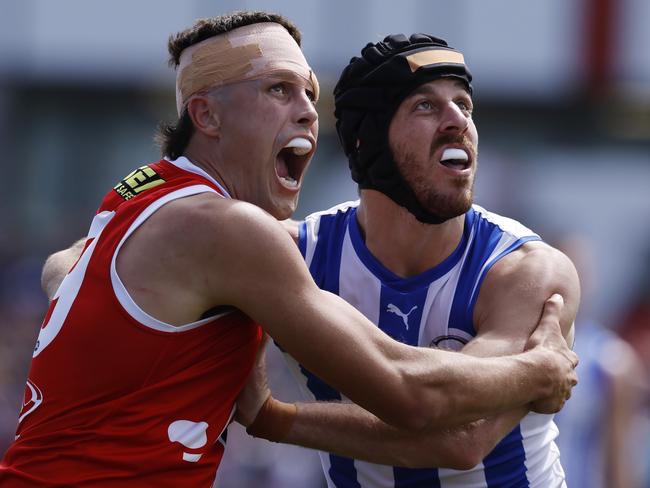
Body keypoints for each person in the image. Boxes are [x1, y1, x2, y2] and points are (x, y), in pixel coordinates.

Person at [3, 14, 577, 487]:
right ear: (206, 115)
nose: (306, 111)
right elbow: (416, 400)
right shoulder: (240, 232)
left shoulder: (140, 194)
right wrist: (540, 369)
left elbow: (65, 265)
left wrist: (271, 413)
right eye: (279, 89)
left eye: (310, 92)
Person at [235, 33, 582, 487]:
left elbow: (461, 439)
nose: (457, 120)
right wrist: (533, 375)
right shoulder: (294, 254)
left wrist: (273, 418)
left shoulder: (525, 269)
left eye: (464, 104)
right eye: (425, 106)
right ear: (367, 142)